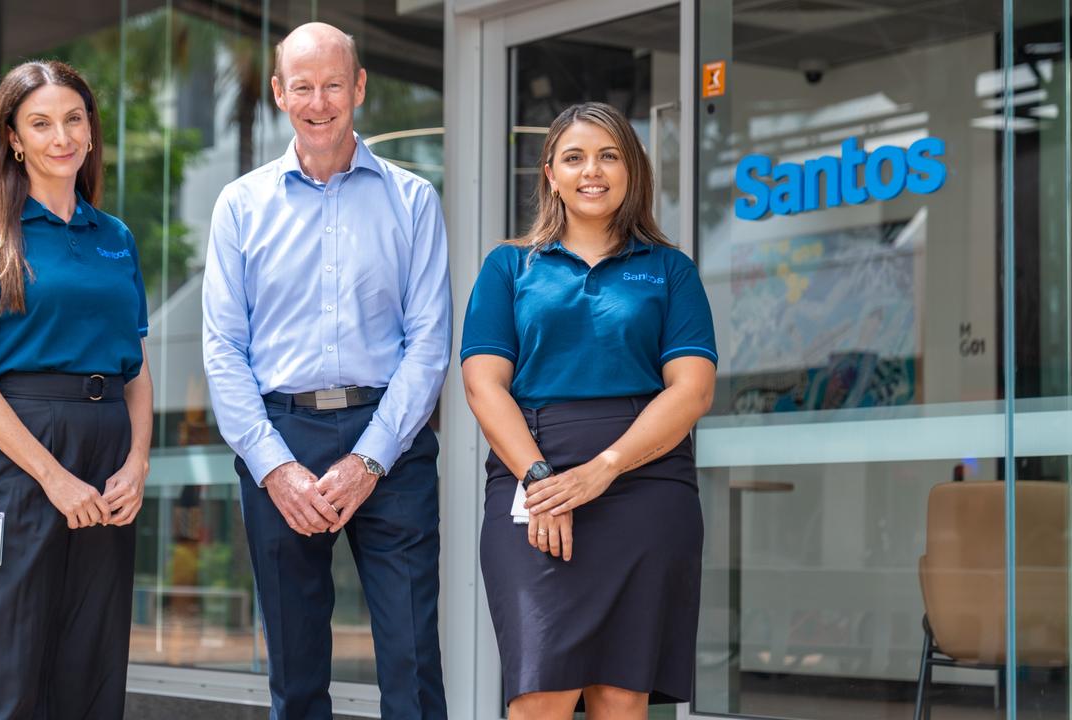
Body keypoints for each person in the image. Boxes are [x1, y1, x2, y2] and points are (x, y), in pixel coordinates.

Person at [202, 22, 451, 720]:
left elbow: (429, 343)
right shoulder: (240, 206)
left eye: (333, 84)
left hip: (391, 443)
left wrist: (369, 460)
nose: (319, 102)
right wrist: (274, 467)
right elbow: (223, 348)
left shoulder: (413, 201)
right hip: (280, 438)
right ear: (280, 93)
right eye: (303, 86)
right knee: (297, 666)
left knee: (411, 662)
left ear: (360, 88)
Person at [461, 101, 718, 718]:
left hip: (645, 487)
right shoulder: (508, 266)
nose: (591, 171)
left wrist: (604, 468)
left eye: (608, 155)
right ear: (550, 173)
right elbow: (482, 385)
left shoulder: (669, 270)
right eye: (573, 158)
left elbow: (692, 390)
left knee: (620, 697)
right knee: (539, 697)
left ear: (632, 169)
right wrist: (542, 479)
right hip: (535, 479)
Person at [0, 60, 152, 719]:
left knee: (91, 655)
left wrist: (138, 461)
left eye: (74, 119)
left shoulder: (115, 238)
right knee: (5, 651)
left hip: (109, 451)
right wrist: (52, 476)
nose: (62, 136)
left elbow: (136, 368)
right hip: (24, 448)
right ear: (14, 138)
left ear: (91, 131)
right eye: (42, 123)